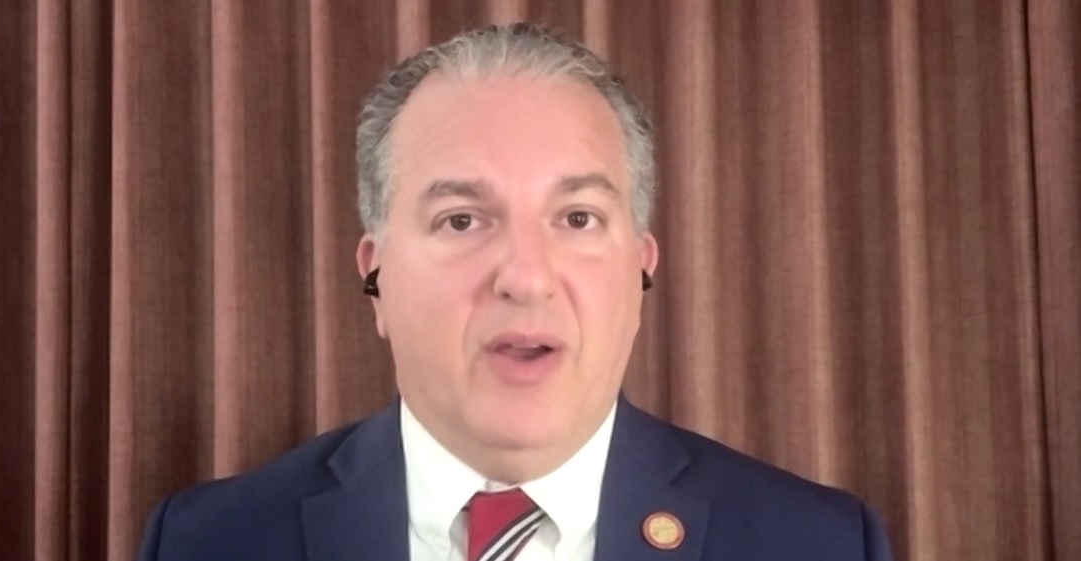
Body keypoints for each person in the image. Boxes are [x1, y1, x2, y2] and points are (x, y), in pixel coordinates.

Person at [136, 22, 893, 561]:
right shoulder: (209, 541)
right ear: (377, 277)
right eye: (462, 219)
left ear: (640, 270)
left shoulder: (817, 543)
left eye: (577, 218)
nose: (526, 277)